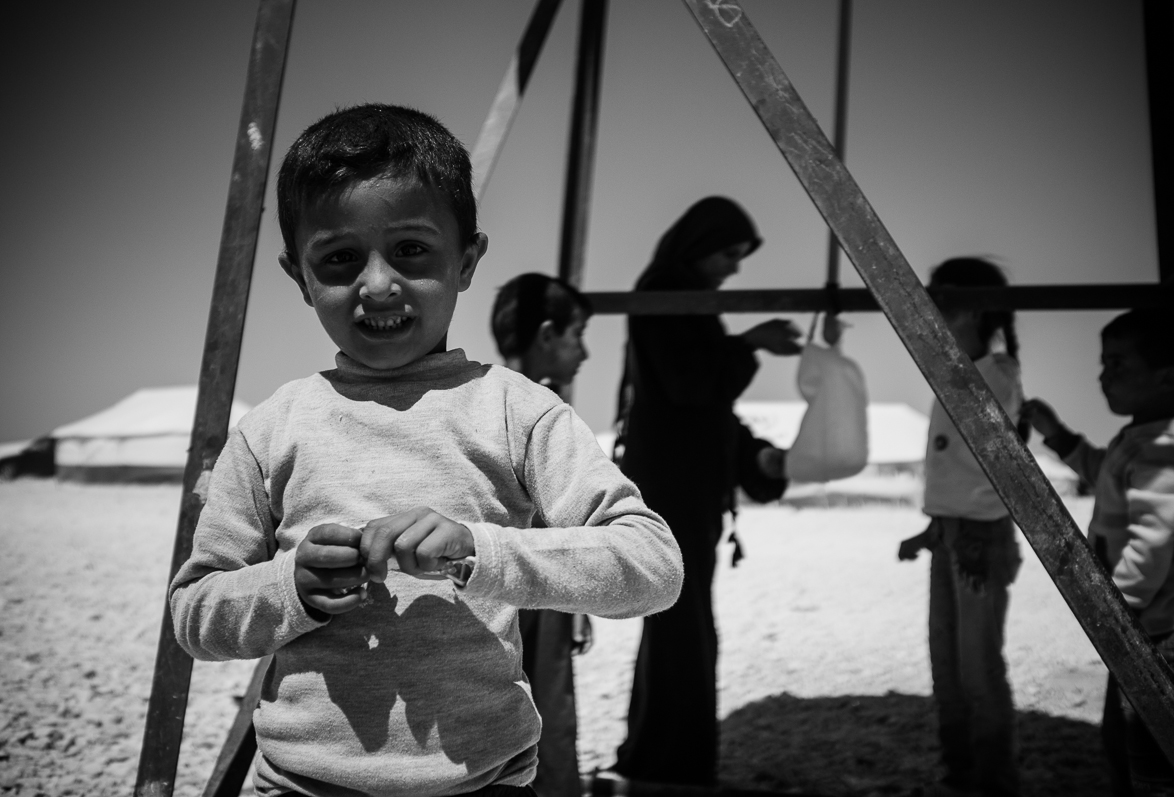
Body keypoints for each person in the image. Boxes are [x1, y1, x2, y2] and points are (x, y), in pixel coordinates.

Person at [169, 104, 684, 797]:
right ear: (299, 274)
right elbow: (195, 613)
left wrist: (481, 550)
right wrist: (290, 585)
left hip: (483, 783)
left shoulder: (516, 411)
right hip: (298, 784)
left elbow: (652, 565)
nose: (377, 284)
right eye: (340, 258)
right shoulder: (272, 428)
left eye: (411, 249)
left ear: (466, 259)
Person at [610, 196, 800, 786]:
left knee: (676, 628)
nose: (734, 268)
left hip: (683, 493)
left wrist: (752, 457)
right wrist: (752, 343)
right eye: (729, 253)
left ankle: (652, 756)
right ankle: (673, 768)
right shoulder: (668, 291)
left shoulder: (686, 299)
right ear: (700, 246)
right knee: (683, 633)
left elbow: (704, 410)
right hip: (673, 497)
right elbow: (693, 385)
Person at [1022, 309, 1174, 797]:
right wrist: (1057, 435)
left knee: (1158, 753)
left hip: (1168, 631)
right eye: (1103, 363)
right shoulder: (1140, 438)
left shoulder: (1166, 447)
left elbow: (1153, 539)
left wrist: (1117, 612)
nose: (1103, 376)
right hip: (1147, 626)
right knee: (1124, 740)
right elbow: (1101, 469)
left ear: (1167, 377)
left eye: (1118, 364)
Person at [897, 257, 1025, 797]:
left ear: (971, 309)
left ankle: (991, 782)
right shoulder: (957, 375)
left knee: (976, 671)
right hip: (953, 535)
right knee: (947, 666)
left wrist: (962, 527)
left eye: (940, 304)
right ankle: (962, 775)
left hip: (977, 540)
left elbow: (999, 473)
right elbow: (960, 471)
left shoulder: (995, 377)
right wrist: (934, 529)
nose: (930, 316)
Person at [490, 272, 594, 797]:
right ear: (548, 334)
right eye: (578, 334)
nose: (587, 352)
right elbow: (566, 523)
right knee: (548, 707)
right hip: (541, 592)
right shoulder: (547, 412)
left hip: (490, 585)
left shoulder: (484, 403)